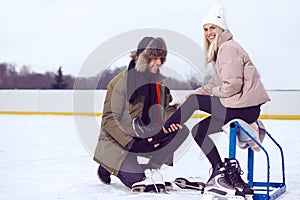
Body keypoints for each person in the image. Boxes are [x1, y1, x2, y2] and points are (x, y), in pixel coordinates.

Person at [134, 4, 270, 199]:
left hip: (244, 106)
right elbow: (212, 85)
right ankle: (219, 171)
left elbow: (231, 86)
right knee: (199, 130)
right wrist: (187, 100)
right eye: (205, 29)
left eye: (212, 27)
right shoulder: (220, 50)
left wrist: (203, 98)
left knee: (197, 102)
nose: (208, 33)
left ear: (221, 27)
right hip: (239, 106)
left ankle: (155, 135)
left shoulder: (228, 49)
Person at [93, 37, 189, 193]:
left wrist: (176, 114)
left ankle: (151, 169)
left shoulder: (159, 84)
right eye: (154, 58)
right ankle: (108, 163)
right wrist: (131, 143)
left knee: (181, 130)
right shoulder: (121, 82)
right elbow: (109, 120)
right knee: (138, 181)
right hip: (121, 144)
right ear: (142, 58)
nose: (158, 62)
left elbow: (165, 109)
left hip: (144, 137)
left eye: (161, 59)